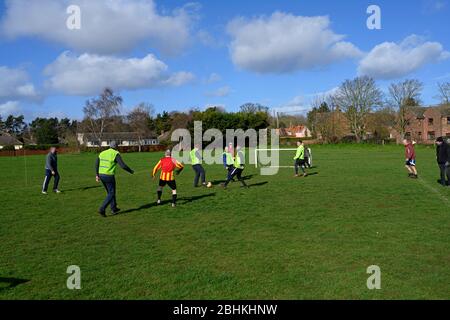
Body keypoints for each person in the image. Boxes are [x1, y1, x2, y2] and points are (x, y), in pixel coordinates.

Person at [95, 141, 134, 217]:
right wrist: (130, 171)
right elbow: (123, 166)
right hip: (109, 175)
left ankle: (114, 208)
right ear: (116, 147)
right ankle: (102, 209)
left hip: (101, 175)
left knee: (110, 192)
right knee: (111, 193)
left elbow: (96, 164)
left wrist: (97, 175)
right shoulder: (115, 154)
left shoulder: (102, 153)